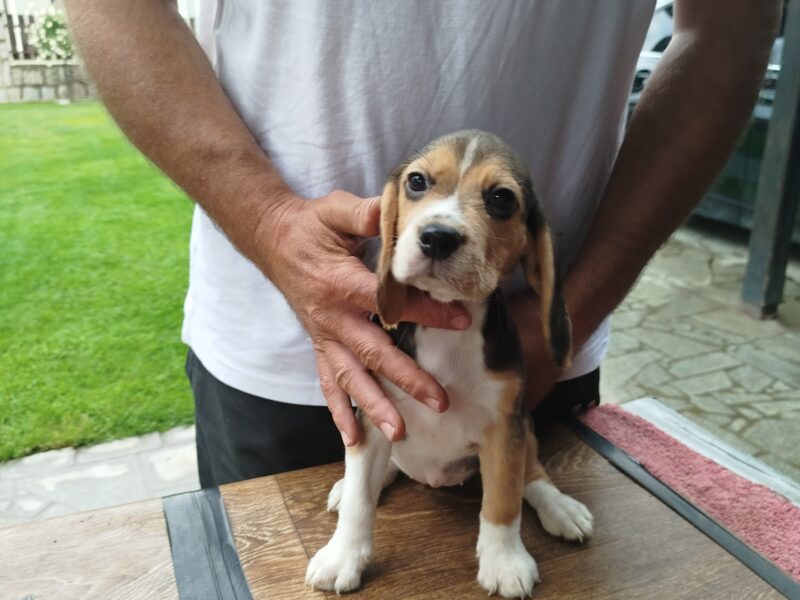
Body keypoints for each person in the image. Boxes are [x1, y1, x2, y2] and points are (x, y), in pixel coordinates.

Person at [65, 0, 780, 487]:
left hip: (528, 352)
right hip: (276, 346)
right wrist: (268, 224)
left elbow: (728, 26)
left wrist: (573, 310)